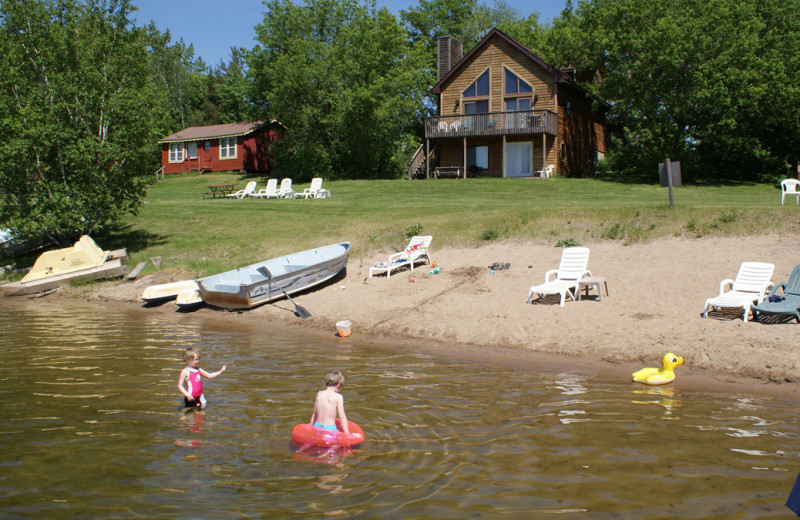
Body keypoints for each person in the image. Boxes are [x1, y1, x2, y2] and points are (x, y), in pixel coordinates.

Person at [309, 370, 351, 434]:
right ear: (338, 385)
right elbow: (342, 418)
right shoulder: (338, 397)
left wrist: (310, 426)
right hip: (329, 430)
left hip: (316, 427)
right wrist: (348, 434)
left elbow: (314, 413)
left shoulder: (319, 394)